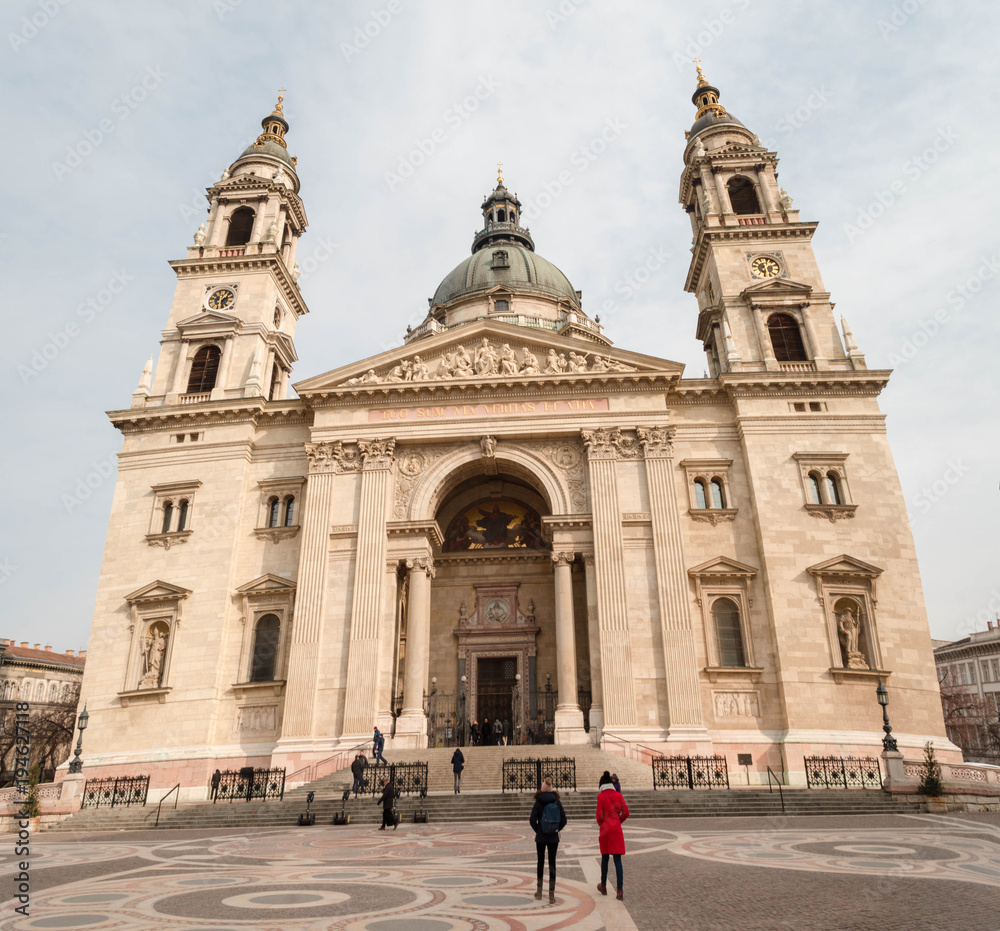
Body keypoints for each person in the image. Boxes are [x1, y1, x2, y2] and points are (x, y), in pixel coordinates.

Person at [529, 777, 567, 903]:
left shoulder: (538, 801)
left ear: (542, 788)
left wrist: (539, 830)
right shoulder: (556, 801)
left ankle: (539, 892)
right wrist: (556, 829)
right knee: (552, 863)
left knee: (540, 862)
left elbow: (532, 820)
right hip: (553, 837)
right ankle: (551, 894)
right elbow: (564, 820)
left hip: (541, 837)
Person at [596, 771, 629, 900]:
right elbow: (626, 811)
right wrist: (617, 821)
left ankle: (603, 885)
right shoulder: (618, 795)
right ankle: (619, 890)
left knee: (605, 858)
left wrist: (603, 824)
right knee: (617, 860)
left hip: (605, 830)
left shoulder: (601, 796)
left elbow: (599, 816)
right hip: (616, 829)